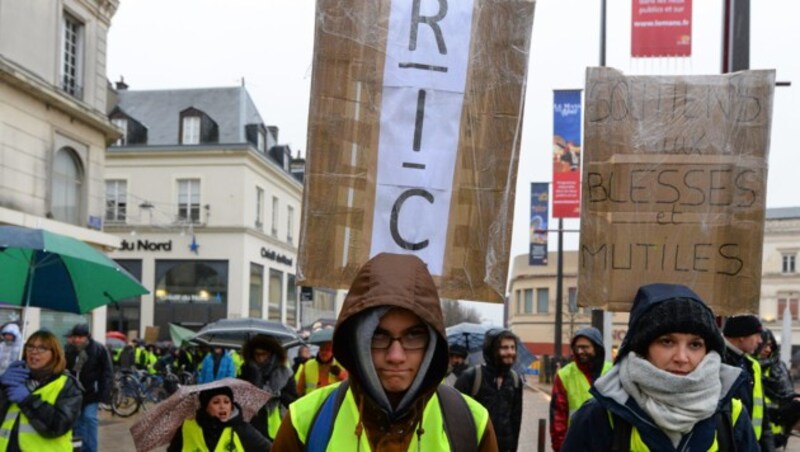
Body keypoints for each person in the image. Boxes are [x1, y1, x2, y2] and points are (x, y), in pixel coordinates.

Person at [272, 252, 497, 450]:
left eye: (412, 335)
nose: (396, 356)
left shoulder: (471, 424)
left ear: (431, 342)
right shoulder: (305, 421)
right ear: (357, 341)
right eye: (378, 336)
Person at [562, 283, 757, 451]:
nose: (682, 358)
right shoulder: (600, 415)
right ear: (642, 347)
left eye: (695, 345)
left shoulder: (731, 416)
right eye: (667, 342)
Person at [0, 329, 83, 450]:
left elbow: (58, 427)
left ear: (54, 354)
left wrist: (28, 400)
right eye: (30, 347)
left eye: (42, 348)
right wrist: (1, 386)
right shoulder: (16, 379)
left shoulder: (68, 385)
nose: (34, 352)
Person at [455, 328, 523, 452]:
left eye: (513, 347)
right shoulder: (471, 377)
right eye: (504, 348)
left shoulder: (515, 380)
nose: (510, 352)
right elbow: (455, 419)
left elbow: (515, 422)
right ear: (492, 350)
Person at [549, 326, 612, 451]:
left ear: (596, 348)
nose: (580, 351)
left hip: (607, 442)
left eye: (585, 347)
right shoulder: (564, 375)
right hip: (576, 442)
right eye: (577, 347)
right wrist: (560, 448)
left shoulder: (611, 371)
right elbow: (558, 418)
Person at [723, 314, 775, 451]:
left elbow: (762, 415)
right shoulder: (717, 361)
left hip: (750, 443)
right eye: (757, 335)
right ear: (742, 336)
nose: (760, 341)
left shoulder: (750, 364)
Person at [167, 386, 271, 451]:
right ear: (206, 407)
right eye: (216, 402)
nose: (223, 406)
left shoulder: (242, 429)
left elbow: (270, 449)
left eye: (227, 402)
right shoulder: (187, 428)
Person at [64, 323, 113, 452]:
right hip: (74, 393)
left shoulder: (99, 349)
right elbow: (65, 368)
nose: (77, 340)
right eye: (75, 337)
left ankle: (91, 449)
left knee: (89, 418)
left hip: (92, 392)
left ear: (87, 337)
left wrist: (104, 394)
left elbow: (107, 372)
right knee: (77, 421)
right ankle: (80, 448)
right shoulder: (70, 350)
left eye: (80, 337)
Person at [239, 334, 297, 441]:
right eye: (257, 354)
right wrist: (253, 378)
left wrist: (278, 394)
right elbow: (239, 396)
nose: (260, 358)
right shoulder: (246, 370)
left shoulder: (284, 373)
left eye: (264, 354)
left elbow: (293, 401)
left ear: (272, 354)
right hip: (250, 424)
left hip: (275, 425)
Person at [757, 328, 800, 448]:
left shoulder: (780, 367)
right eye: (764, 345)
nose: (768, 350)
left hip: (779, 434)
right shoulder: (749, 367)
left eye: (770, 345)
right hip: (757, 434)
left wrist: (794, 402)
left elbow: (789, 392)